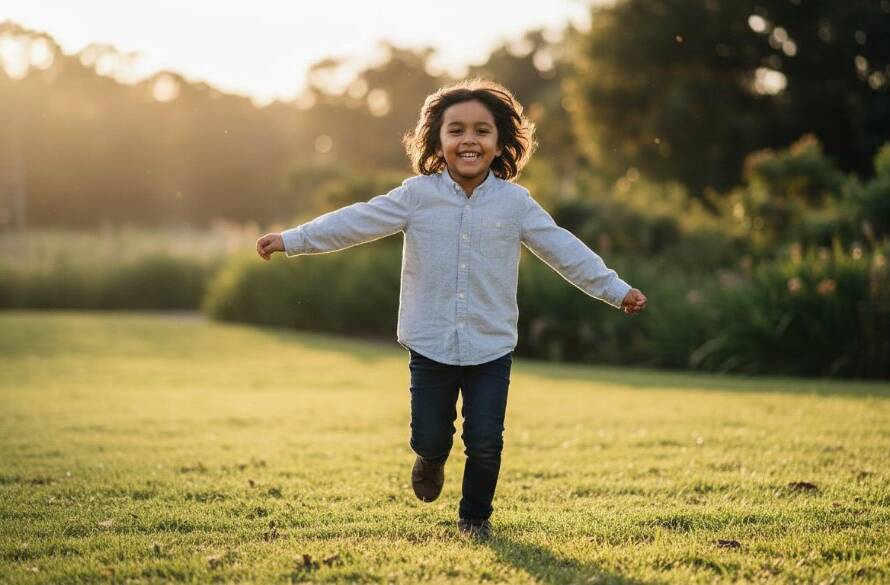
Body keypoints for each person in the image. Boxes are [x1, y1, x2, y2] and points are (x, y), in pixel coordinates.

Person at [255, 79, 647, 540]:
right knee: (429, 436)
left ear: (500, 142)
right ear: (437, 141)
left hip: (490, 346)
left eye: (482, 131)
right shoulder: (416, 196)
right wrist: (293, 239)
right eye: (456, 130)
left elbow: (565, 250)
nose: (469, 140)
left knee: (485, 442)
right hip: (430, 341)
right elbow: (355, 221)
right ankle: (430, 457)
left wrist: (615, 289)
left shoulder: (516, 204)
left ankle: (475, 519)